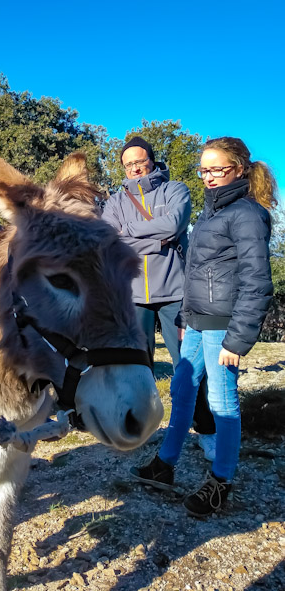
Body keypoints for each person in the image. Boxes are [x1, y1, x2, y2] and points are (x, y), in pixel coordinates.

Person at [131, 137, 275, 517]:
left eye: (217, 169)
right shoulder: (211, 213)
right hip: (196, 322)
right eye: (204, 170)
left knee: (222, 403)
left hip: (223, 326)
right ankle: (165, 464)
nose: (209, 177)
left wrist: (238, 339)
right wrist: (184, 319)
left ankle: (220, 482)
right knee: (182, 389)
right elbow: (198, 274)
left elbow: (257, 281)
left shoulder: (247, 214)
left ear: (239, 169)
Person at [102, 136, 216, 455]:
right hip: (134, 295)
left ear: (152, 160)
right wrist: (157, 240)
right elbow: (112, 240)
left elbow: (176, 224)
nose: (136, 169)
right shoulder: (115, 201)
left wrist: (133, 233)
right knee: (137, 366)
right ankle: (140, 426)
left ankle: (206, 429)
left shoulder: (175, 190)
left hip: (176, 292)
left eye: (140, 161)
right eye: (129, 165)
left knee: (188, 364)